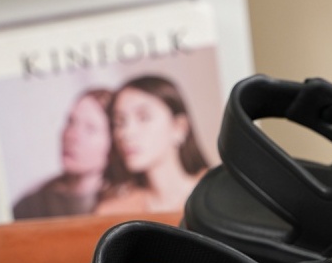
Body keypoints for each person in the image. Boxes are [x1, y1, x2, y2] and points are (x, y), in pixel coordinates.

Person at [95, 75, 209, 215]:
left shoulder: (220, 194)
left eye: (143, 117)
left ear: (179, 127)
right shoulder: (114, 213)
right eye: (119, 122)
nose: (126, 133)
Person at [14, 88, 116, 218]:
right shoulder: (31, 206)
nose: (71, 135)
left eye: (90, 128)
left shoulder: (128, 202)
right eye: (71, 121)